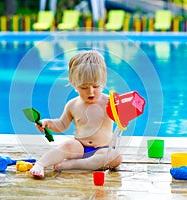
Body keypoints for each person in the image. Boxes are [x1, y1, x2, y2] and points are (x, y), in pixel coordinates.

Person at [30, 50, 122, 178]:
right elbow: (61, 125)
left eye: (95, 86)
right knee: (67, 145)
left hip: (102, 149)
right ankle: (40, 164)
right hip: (79, 148)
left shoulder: (110, 102)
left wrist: (125, 111)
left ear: (103, 82)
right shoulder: (72, 105)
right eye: (84, 87)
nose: (91, 92)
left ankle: (74, 165)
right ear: (74, 84)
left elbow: (123, 117)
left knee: (115, 157)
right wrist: (48, 123)